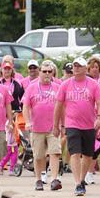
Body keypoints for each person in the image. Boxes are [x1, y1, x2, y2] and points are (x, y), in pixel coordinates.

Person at [53, 56, 100, 197]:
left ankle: (82, 179)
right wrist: (56, 125)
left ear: (85, 69)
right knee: (75, 153)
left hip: (89, 125)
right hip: (72, 124)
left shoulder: (93, 84)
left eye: (79, 66)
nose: (75, 68)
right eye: (74, 66)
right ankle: (77, 183)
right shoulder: (65, 84)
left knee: (88, 155)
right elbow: (58, 105)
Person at [24, 59, 63, 190]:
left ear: (53, 73)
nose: (47, 74)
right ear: (39, 72)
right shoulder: (32, 87)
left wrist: (62, 124)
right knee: (38, 155)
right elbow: (25, 106)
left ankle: (54, 179)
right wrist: (28, 121)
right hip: (37, 127)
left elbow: (62, 107)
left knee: (55, 152)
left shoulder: (58, 87)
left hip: (53, 127)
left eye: (49, 71)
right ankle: (38, 179)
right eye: (44, 71)